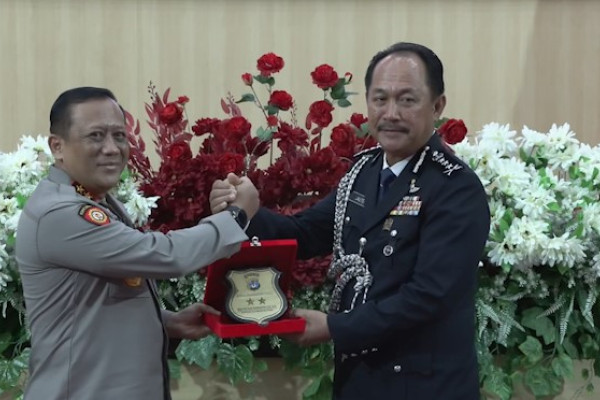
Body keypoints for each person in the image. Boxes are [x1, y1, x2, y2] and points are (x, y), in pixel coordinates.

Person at [210, 42, 490, 399]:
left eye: (407, 100)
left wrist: (334, 327)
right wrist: (244, 212)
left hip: (424, 384)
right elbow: (304, 234)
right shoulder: (363, 171)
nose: (391, 113)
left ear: (437, 106)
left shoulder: (455, 187)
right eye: (380, 99)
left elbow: (428, 296)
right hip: (360, 380)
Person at [16, 87, 259, 400]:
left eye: (119, 135)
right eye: (95, 136)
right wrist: (237, 217)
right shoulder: (60, 213)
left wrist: (167, 322)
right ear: (57, 147)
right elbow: (164, 255)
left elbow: (93, 303)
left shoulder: (94, 200)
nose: (111, 148)